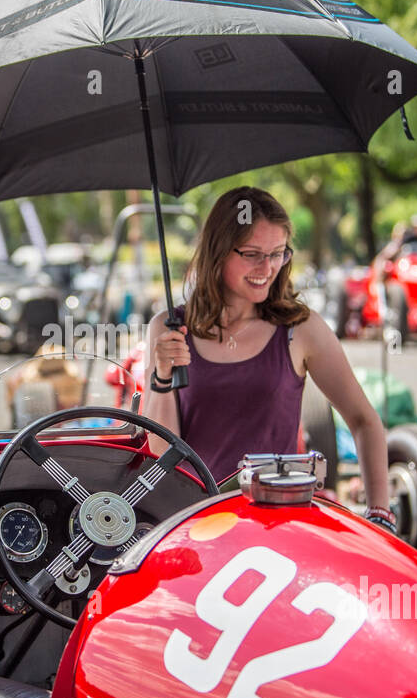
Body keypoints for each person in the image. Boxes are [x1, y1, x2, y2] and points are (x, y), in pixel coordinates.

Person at [143, 186, 394, 532]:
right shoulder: (167, 329)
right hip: (194, 528)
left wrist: (380, 515)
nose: (268, 267)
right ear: (218, 251)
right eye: (252, 254)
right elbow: (160, 451)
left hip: (278, 530)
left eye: (278, 253)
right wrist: (161, 375)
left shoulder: (301, 329)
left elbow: (364, 421)